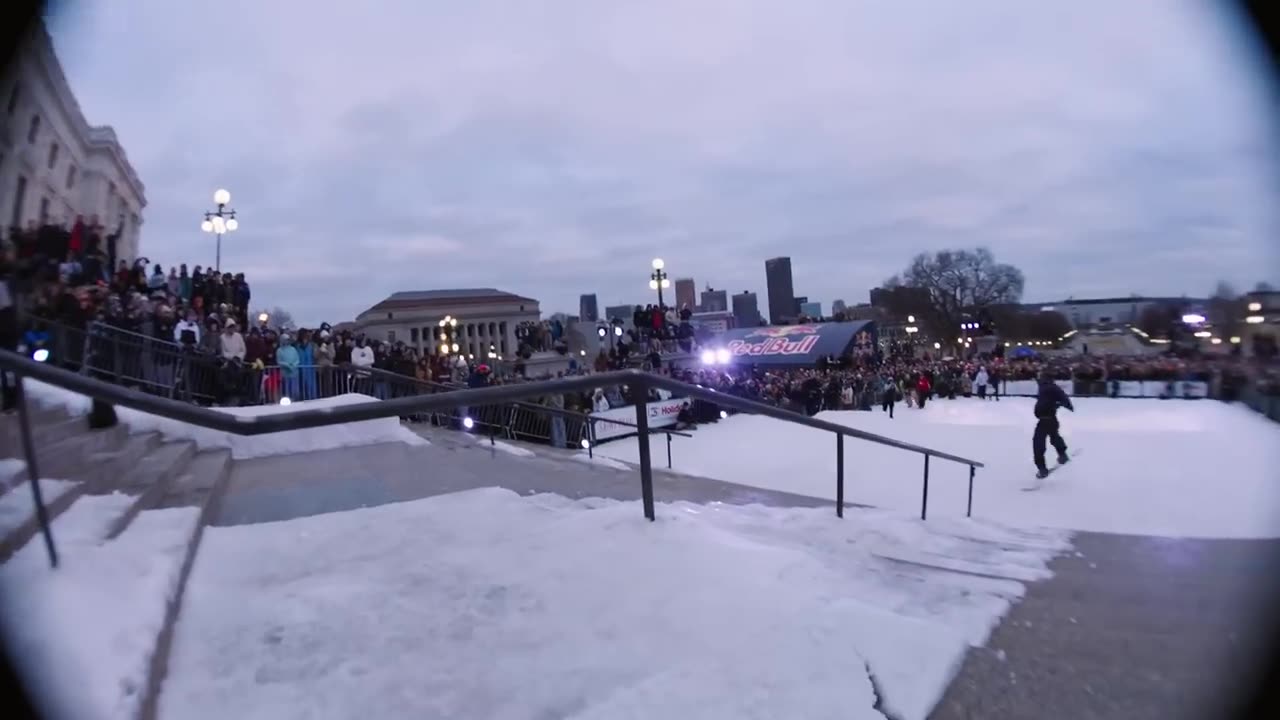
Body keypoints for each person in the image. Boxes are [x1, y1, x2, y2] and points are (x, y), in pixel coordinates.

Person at [1032, 370, 1073, 478]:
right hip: (1051, 419)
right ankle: (1062, 454)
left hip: (1045, 419)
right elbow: (1063, 398)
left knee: (1038, 443)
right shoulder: (1048, 386)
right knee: (1054, 436)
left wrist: (1061, 403)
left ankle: (1042, 468)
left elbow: (1062, 398)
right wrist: (1062, 404)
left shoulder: (1048, 387)